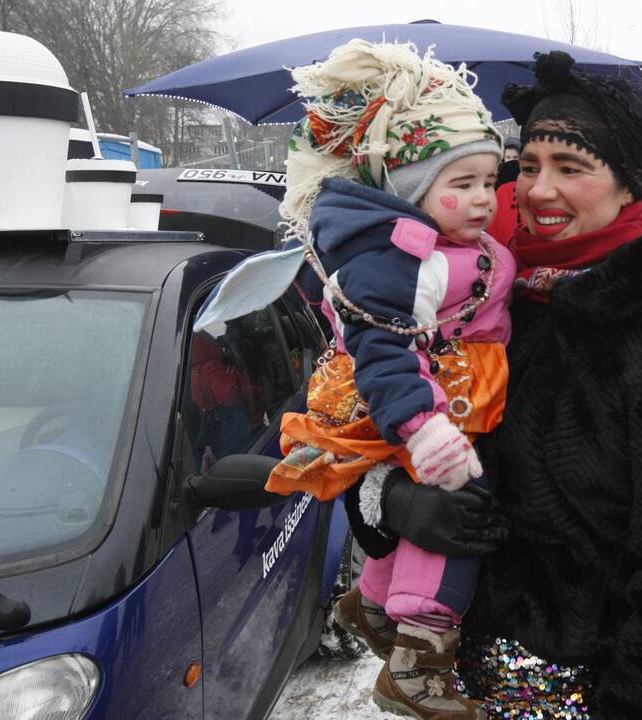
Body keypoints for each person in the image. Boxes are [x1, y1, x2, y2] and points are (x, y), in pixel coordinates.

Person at [343, 50, 642, 719]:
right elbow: (368, 441)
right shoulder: (478, 309)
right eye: (528, 167)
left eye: (570, 169)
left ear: (628, 185)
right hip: (450, 686)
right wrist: (392, 502)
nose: (537, 191)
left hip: (583, 696)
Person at [200, 40, 515, 720]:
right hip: (422, 412)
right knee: (454, 519)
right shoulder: (403, 257)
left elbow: (481, 291)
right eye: (461, 185)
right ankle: (418, 660)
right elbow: (383, 352)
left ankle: (370, 603)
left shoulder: (447, 247)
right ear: (411, 188)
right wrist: (425, 429)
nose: (484, 199)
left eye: (490, 182)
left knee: (424, 523)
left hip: (451, 402)